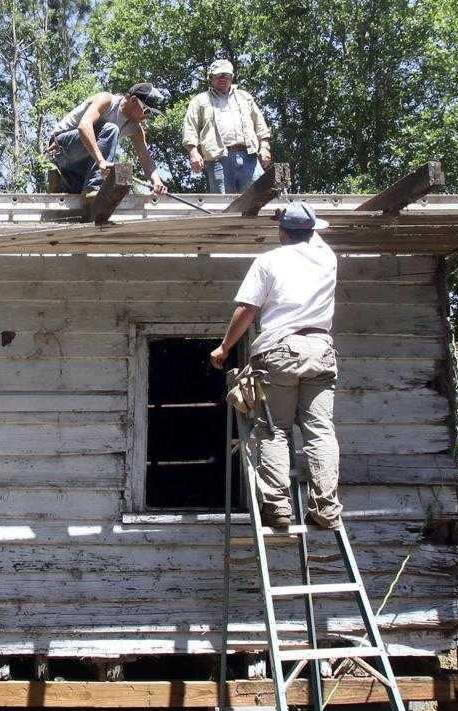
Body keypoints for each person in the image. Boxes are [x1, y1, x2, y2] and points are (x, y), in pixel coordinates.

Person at [209, 202, 342, 530]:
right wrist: (290, 217)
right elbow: (314, 234)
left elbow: (247, 310)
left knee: (273, 428)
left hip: (281, 350)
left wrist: (225, 348)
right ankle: (325, 508)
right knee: (320, 431)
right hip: (321, 350)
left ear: (282, 232)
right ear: (311, 232)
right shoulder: (328, 258)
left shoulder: (268, 261)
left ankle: (279, 508)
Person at [48, 84, 170, 196]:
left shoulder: (135, 128)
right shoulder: (107, 100)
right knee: (111, 129)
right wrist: (101, 161)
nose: (146, 117)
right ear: (133, 100)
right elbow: (84, 126)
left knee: (122, 170)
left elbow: (145, 158)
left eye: (150, 114)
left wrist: (157, 182)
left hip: (80, 165)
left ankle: (72, 184)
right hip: (61, 150)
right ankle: (93, 188)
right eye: (146, 111)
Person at [182, 59, 272, 194]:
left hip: (250, 158)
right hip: (218, 160)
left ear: (232, 77)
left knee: (256, 200)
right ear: (211, 78)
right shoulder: (200, 101)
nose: (223, 79)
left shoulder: (245, 97)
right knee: (222, 205)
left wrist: (264, 148)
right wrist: (193, 153)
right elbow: (190, 129)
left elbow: (261, 125)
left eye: (227, 75)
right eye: (219, 75)